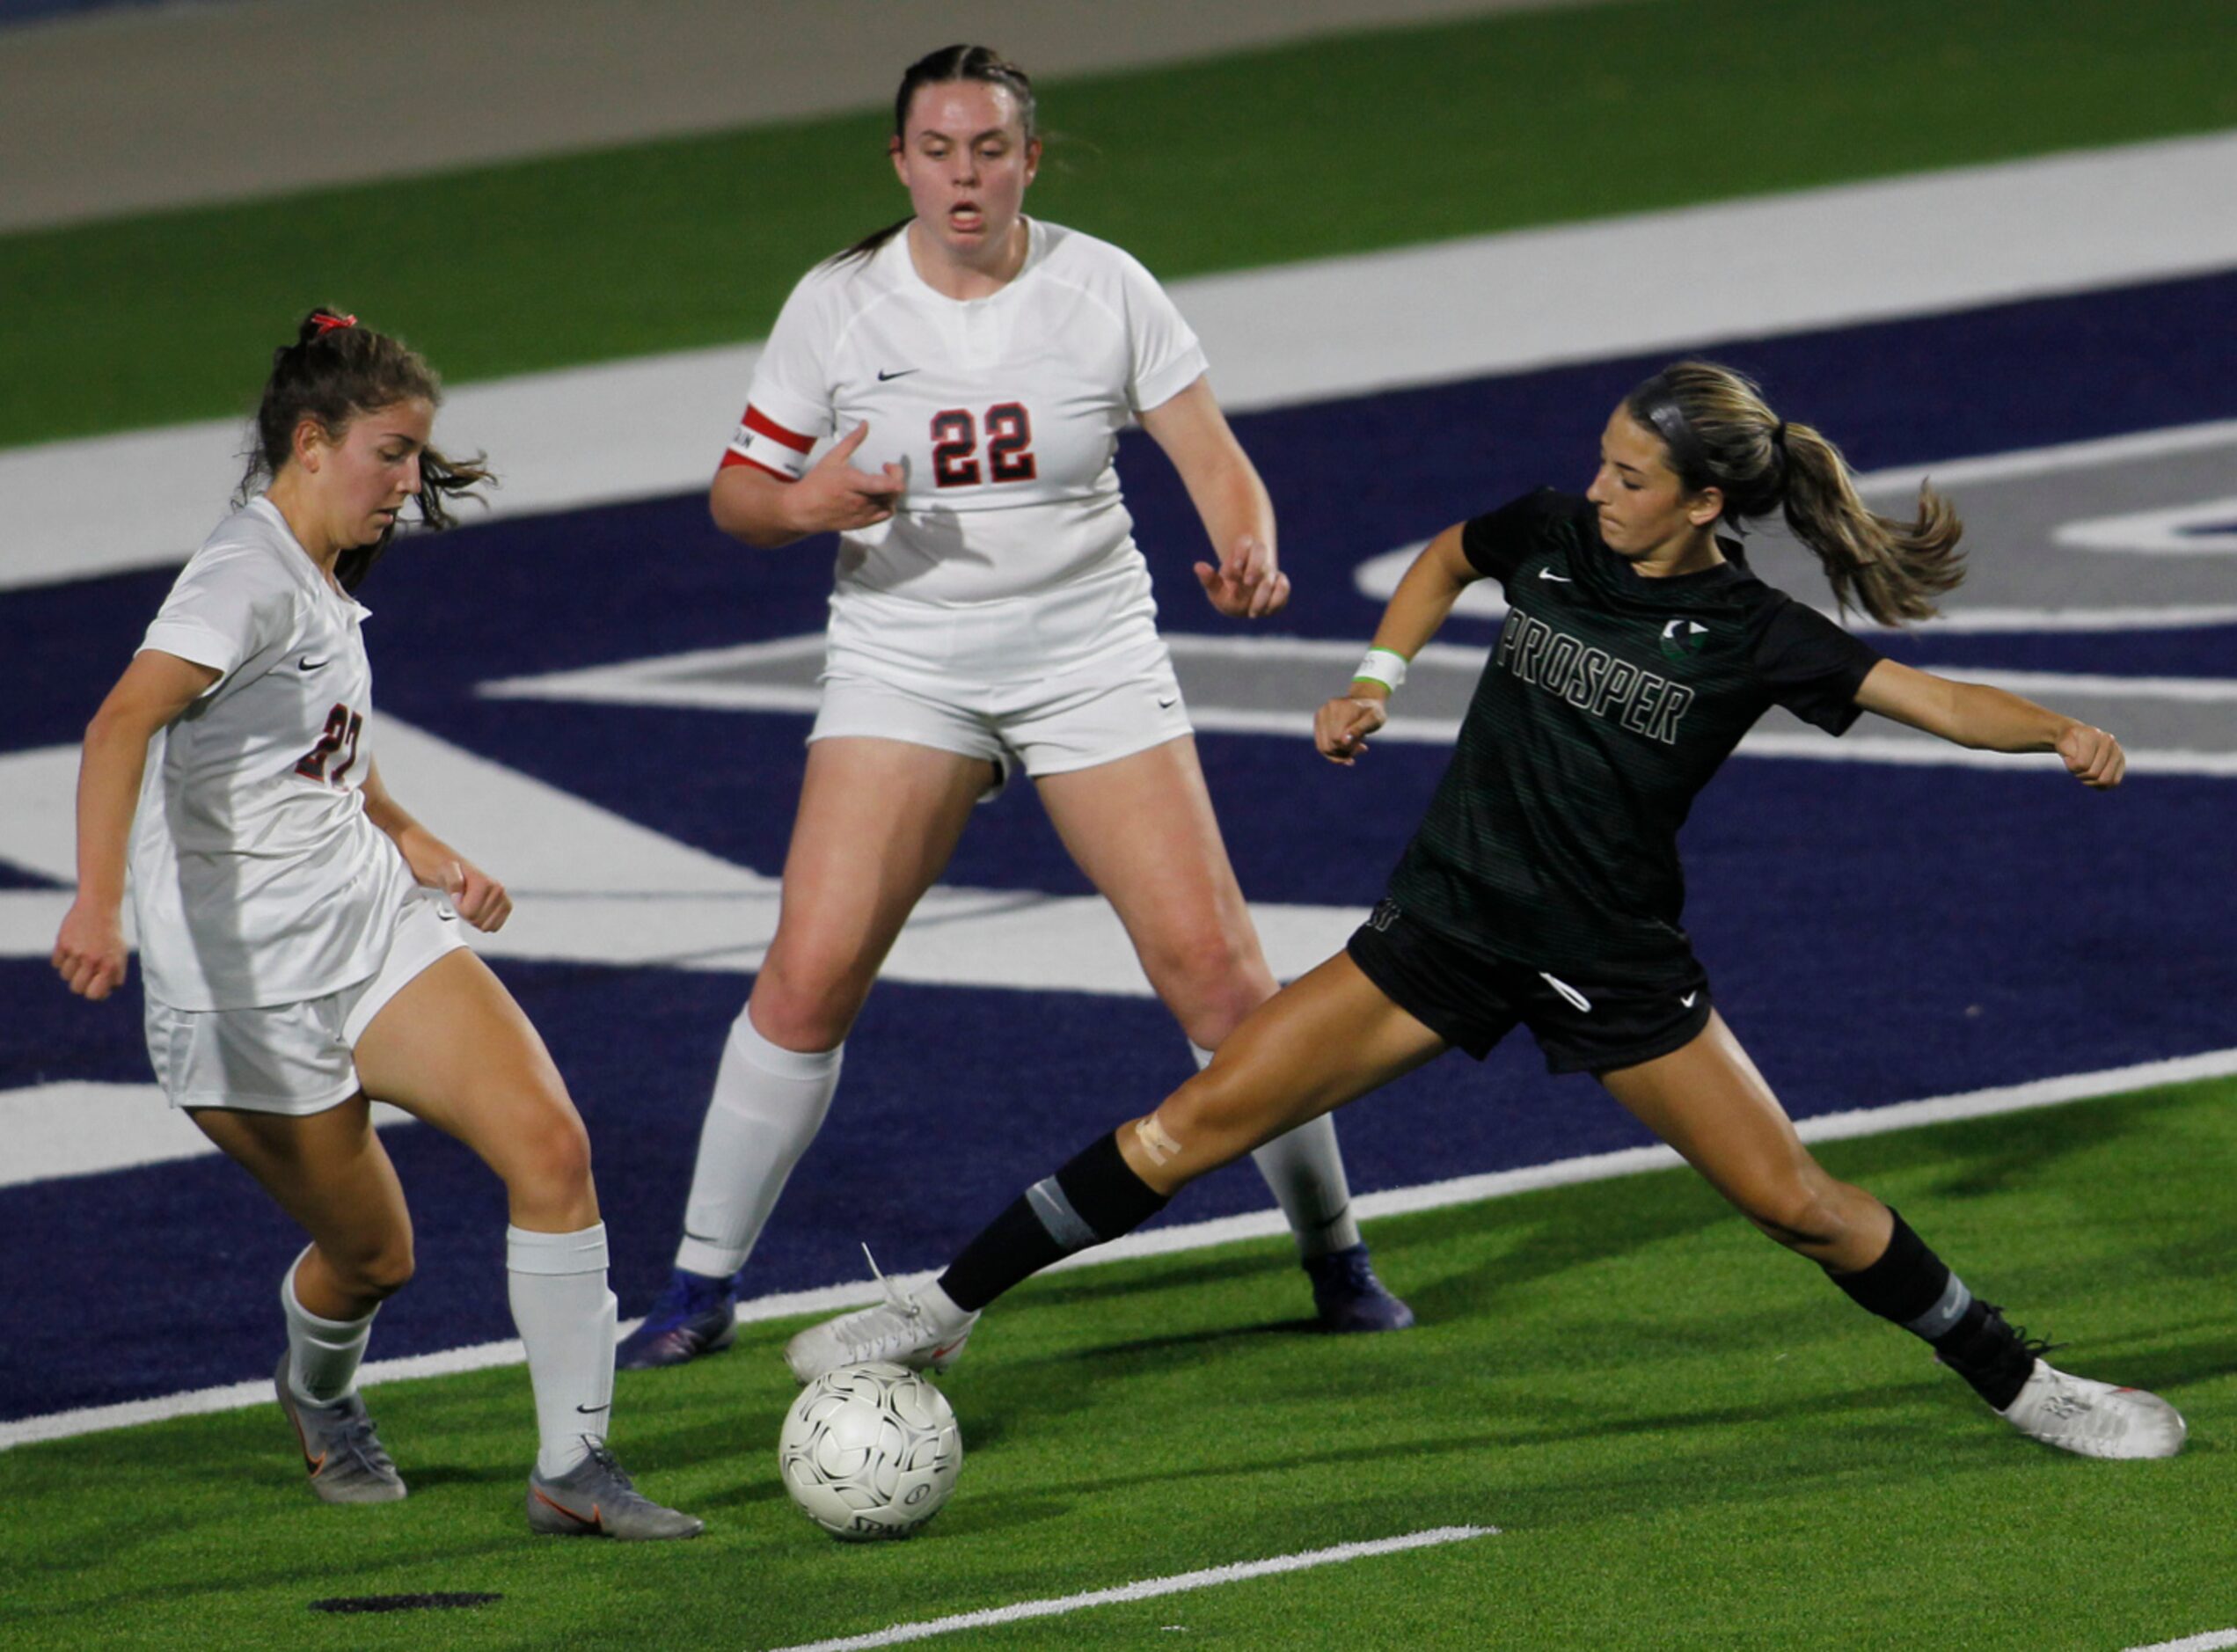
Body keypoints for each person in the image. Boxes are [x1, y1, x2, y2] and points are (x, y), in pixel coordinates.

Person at [783, 360, 2188, 1462]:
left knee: (1801, 1206)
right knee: (1189, 1123)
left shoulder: (1757, 635)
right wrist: (1376, 683)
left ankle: (2028, 1382)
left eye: (1633, 475)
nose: (1601, 487)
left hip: (1609, 963)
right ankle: (944, 1308)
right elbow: (1447, 557)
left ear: (1705, 502)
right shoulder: (1557, 535)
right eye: (1604, 461)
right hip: (1444, 929)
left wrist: (2058, 728)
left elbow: (1931, 698)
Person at [618, 43, 1409, 1367]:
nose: (965, 175)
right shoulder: (839, 305)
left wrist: (1247, 546)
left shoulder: (1104, 287)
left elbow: (1216, 462)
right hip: (905, 660)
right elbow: (741, 494)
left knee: (1221, 979)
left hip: (1088, 654)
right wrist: (806, 503)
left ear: (1030, 158)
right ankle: (700, 1287)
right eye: (939, 150)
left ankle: (1337, 1250)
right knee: (808, 976)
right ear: (901, 163)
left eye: (990, 149)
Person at [51, 311, 702, 1538]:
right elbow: (115, 726)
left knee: (552, 1146)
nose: (410, 485)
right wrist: (97, 899)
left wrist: (415, 839)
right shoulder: (241, 579)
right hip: (242, 987)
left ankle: (574, 1467)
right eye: (391, 455)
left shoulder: (320, 571)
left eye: (417, 459)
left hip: (369, 927)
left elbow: (316, 749)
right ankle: (318, 1387)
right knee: (375, 1258)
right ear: (311, 441)